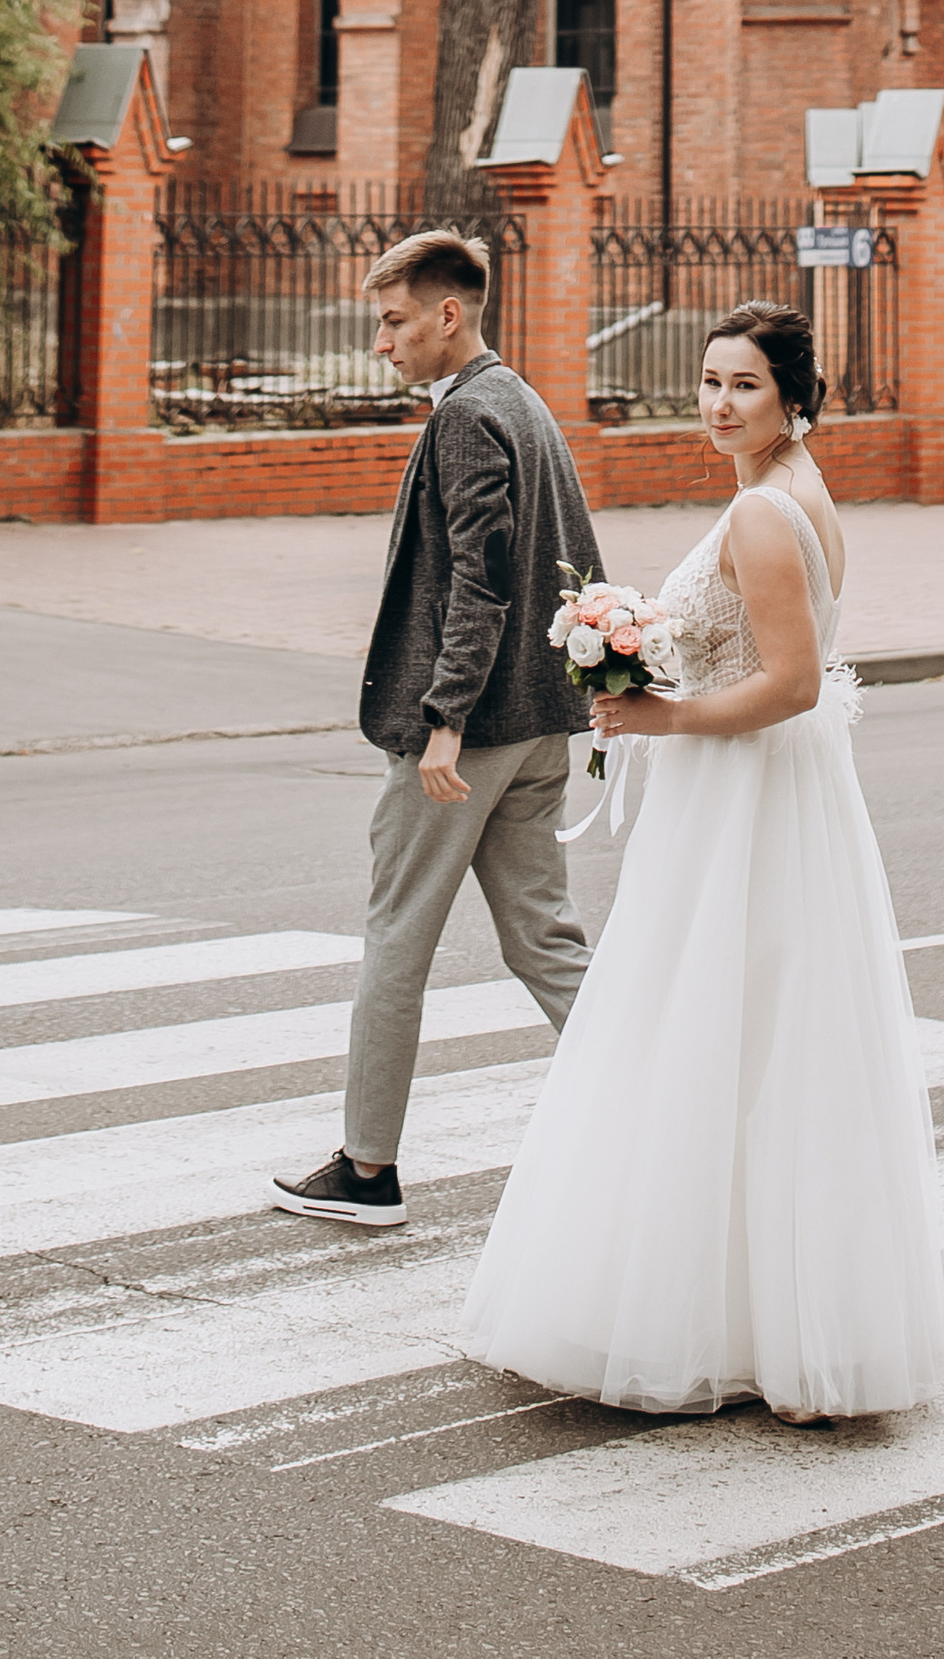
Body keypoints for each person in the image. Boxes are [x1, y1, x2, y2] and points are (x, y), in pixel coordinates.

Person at [457, 296, 944, 1425]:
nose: (718, 402)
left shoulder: (767, 516)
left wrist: (653, 713)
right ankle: (766, 1315)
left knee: (704, 1027)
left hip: (739, 794)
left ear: (791, 396)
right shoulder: (793, 496)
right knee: (759, 1036)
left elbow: (789, 681)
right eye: (709, 380)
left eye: (743, 385)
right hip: (768, 794)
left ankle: (701, 1316)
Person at [269, 226, 603, 1229]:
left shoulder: (467, 417)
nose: (383, 341)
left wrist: (445, 718)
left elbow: (482, 576)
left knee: (395, 941)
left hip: (473, 731)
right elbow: (566, 563)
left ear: (446, 315)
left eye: (393, 319)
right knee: (545, 940)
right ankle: (662, 1103)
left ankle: (367, 1168)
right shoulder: (524, 400)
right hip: (542, 719)